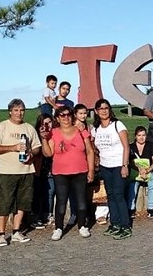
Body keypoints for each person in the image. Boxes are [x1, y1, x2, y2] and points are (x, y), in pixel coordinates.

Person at [0, 99, 41, 247]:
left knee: (23, 203)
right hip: (7, 172)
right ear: (10, 111)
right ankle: (1, 234)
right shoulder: (2, 127)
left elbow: (37, 147)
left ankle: (16, 231)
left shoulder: (29, 128)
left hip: (26, 170)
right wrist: (12, 148)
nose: (19, 113)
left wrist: (31, 153)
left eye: (22, 110)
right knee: (5, 203)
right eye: (16, 110)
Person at [41, 105, 96, 241]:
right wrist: (44, 138)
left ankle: (82, 225)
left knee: (82, 200)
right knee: (61, 201)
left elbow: (89, 151)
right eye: (62, 115)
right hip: (60, 172)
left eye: (68, 114)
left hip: (80, 170)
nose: (65, 117)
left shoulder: (81, 130)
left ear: (72, 115)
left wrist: (91, 170)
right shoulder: (54, 132)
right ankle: (58, 228)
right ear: (57, 118)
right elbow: (48, 153)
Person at [92, 99, 132, 239]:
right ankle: (114, 223)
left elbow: (126, 146)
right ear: (96, 111)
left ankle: (125, 225)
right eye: (100, 108)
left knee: (119, 195)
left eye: (106, 108)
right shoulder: (95, 129)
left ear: (110, 110)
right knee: (110, 195)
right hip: (105, 166)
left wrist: (125, 165)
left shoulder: (117, 125)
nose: (103, 111)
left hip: (118, 165)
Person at [30, 113, 55, 229]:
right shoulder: (35, 136)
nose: (47, 125)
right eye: (44, 123)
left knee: (50, 193)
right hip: (38, 169)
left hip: (51, 169)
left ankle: (47, 214)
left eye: (49, 122)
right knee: (38, 193)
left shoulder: (55, 135)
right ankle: (36, 216)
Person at [128, 126, 153, 218]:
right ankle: (131, 208)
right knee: (133, 185)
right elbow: (130, 161)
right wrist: (139, 169)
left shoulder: (151, 145)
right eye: (139, 135)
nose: (141, 137)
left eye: (143, 135)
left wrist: (147, 170)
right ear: (135, 136)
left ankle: (151, 208)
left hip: (149, 169)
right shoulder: (131, 147)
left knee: (152, 184)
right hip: (136, 170)